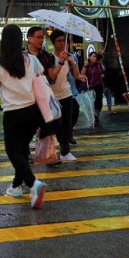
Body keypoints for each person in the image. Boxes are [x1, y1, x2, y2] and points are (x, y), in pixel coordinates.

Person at [0, 24, 46, 209]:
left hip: (13, 114)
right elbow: (41, 78)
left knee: (13, 151)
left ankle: (32, 183)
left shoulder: (0, 63)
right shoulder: (31, 60)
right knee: (21, 151)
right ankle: (15, 187)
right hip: (33, 112)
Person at [48, 30, 86, 161]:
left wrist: (72, 62)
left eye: (63, 40)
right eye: (59, 41)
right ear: (53, 42)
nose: (62, 43)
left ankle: (65, 151)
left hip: (67, 94)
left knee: (67, 123)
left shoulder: (69, 57)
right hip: (52, 96)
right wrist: (61, 61)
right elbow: (52, 76)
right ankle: (51, 149)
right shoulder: (50, 58)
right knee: (55, 125)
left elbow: (76, 75)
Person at [80, 52, 105, 129]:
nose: (95, 58)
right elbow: (82, 74)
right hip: (90, 86)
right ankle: (92, 116)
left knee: (99, 102)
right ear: (89, 57)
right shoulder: (87, 65)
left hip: (99, 85)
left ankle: (96, 114)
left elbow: (102, 72)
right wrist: (85, 65)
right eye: (93, 56)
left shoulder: (98, 65)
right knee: (91, 102)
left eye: (96, 57)